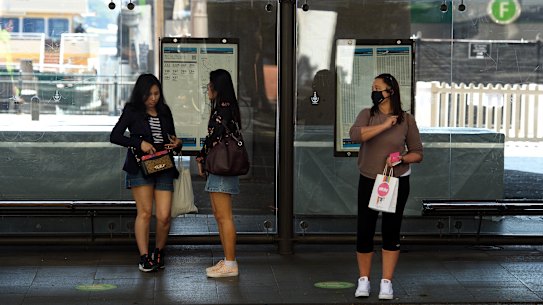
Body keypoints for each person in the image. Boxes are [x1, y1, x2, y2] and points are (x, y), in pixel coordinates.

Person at [349, 73, 423, 300]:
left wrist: (401, 158)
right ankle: (364, 280)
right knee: (365, 229)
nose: (374, 91)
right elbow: (355, 135)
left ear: (390, 91)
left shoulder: (406, 119)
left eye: (378, 88)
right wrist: (384, 125)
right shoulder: (367, 114)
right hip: (369, 178)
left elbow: (418, 153)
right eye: (373, 87)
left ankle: (386, 282)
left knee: (391, 230)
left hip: (396, 180)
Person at [110, 73, 182, 272]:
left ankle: (158, 251)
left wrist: (178, 144)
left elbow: (172, 140)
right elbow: (115, 136)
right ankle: (144, 257)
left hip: (164, 166)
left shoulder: (164, 111)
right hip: (140, 166)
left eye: (157, 93)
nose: (153, 98)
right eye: (149, 94)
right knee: (144, 213)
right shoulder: (132, 111)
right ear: (140, 94)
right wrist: (139, 142)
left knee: (164, 215)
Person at [196, 69, 241, 278]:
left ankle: (231, 263)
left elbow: (213, 137)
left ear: (217, 87)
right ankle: (227, 260)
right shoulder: (226, 108)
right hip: (219, 167)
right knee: (219, 215)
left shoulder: (223, 109)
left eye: (210, 84)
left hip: (222, 167)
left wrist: (201, 157)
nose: (207, 88)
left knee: (224, 216)